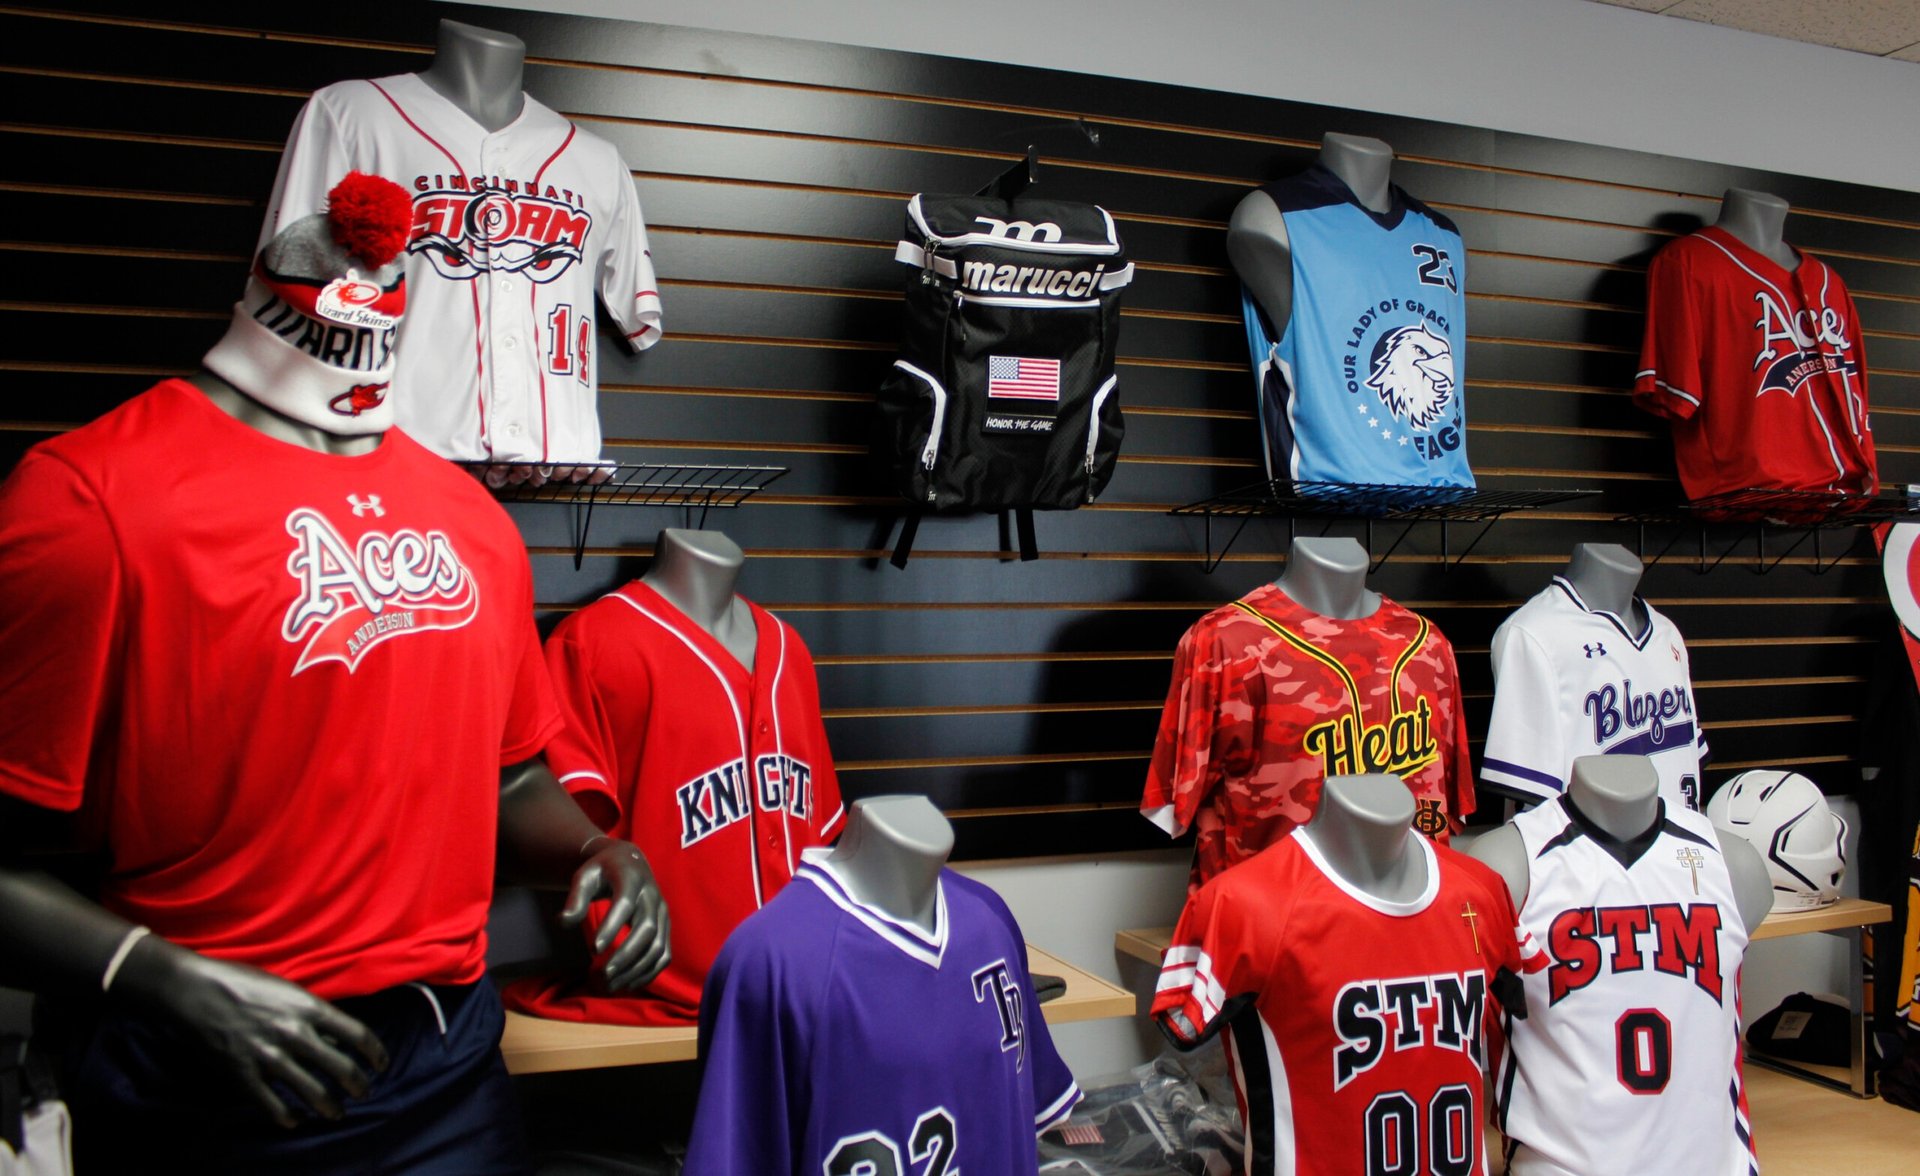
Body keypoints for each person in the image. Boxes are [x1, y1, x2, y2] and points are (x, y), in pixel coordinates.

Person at [0, 172, 666, 1173]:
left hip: (444, 1065)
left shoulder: (472, 525)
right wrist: (157, 978)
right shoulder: (89, 500)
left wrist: (592, 849)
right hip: (207, 1066)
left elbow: (509, 778)